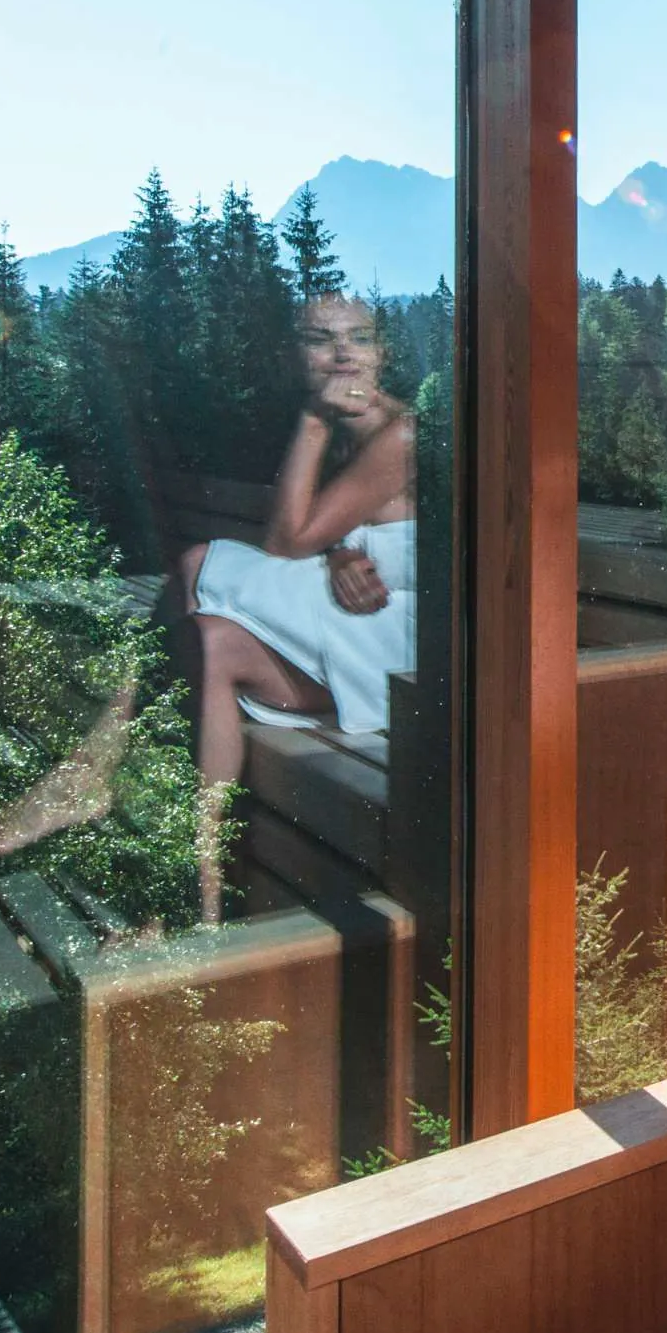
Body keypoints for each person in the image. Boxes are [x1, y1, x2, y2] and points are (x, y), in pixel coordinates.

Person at [169, 291, 417, 920]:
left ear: (382, 353)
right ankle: (202, 885)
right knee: (211, 640)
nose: (341, 353)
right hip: (361, 635)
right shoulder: (349, 432)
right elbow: (331, 531)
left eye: (358, 337)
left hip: (404, 656)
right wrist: (336, 550)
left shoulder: (400, 434)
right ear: (295, 358)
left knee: (199, 565)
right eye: (319, 339)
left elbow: (282, 545)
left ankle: (92, 771)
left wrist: (310, 420)